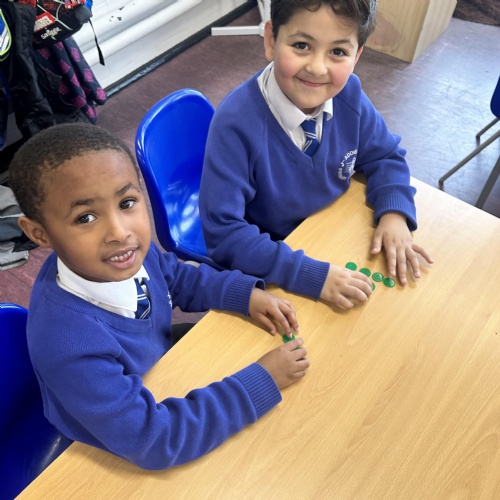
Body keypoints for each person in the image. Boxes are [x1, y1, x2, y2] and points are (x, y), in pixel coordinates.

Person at [8, 122, 310, 470]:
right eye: (86, 217)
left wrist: (243, 295)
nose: (119, 231)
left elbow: (176, 279)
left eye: (127, 202)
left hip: (157, 374)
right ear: (38, 233)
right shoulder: (68, 344)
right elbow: (153, 441)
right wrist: (261, 382)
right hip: (110, 444)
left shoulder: (127, 254)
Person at [199, 0, 433, 310]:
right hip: (272, 261)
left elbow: (385, 156)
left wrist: (394, 214)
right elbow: (224, 233)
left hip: (332, 234)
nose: (318, 68)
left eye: (338, 51)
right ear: (270, 40)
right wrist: (308, 274)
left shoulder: (349, 94)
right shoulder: (235, 124)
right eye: (301, 45)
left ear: (357, 56)